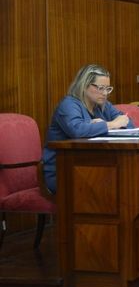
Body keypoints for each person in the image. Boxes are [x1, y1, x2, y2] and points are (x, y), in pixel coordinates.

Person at [42, 64, 132, 194]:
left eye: (108, 88)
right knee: (116, 186)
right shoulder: (68, 104)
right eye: (101, 88)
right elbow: (77, 130)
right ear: (84, 85)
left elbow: (128, 123)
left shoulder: (103, 105)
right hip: (63, 171)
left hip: (93, 167)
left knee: (124, 182)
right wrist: (110, 125)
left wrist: (108, 124)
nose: (105, 93)